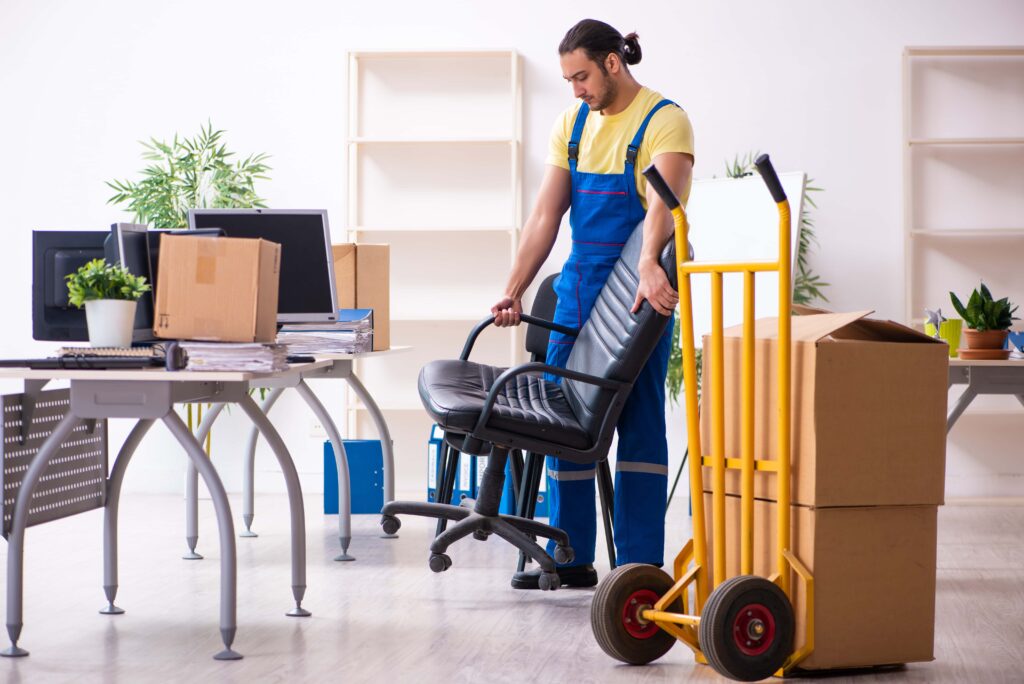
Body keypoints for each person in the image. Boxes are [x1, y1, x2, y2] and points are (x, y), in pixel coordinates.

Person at [492, 19, 694, 590]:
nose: (575, 88)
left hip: (636, 297)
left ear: (612, 63)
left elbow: (663, 204)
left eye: (581, 75)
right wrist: (515, 287)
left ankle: (637, 566)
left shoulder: (664, 120)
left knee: (640, 425)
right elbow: (545, 216)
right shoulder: (573, 124)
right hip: (578, 292)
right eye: (567, 78)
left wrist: (652, 262)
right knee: (565, 422)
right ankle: (570, 555)